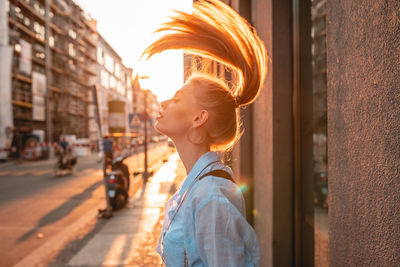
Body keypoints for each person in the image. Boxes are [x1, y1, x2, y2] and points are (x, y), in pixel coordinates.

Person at [141, 0, 267, 266]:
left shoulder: (210, 197)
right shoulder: (200, 189)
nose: (164, 102)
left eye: (177, 97)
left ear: (199, 117)